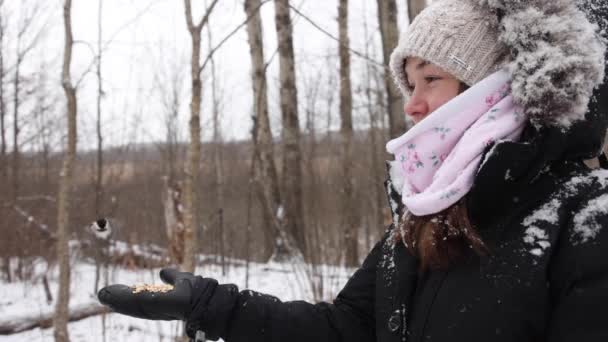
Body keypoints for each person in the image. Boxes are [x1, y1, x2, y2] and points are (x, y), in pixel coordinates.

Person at [98, 0, 608, 341]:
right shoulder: (423, 216)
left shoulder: (585, 220)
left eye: (432, 78)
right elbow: (346, 329)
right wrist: (214, 305)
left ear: (495, 88)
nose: (413, 105)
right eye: (409, 85)